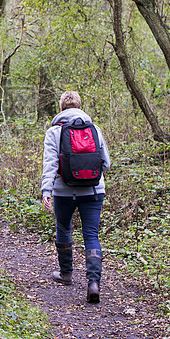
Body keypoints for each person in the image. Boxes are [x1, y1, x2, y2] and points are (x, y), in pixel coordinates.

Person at [41, 91, 111, 303]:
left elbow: (50, 163)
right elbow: (106, 163)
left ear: (61, 108)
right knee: (91, 234)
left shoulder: (54, 132)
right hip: (93, 190)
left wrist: (46, 190)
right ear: (80, 107)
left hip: (64, 191)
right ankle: (93, 283)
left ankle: (66, 274)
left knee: (63, 228)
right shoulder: (94, 129)